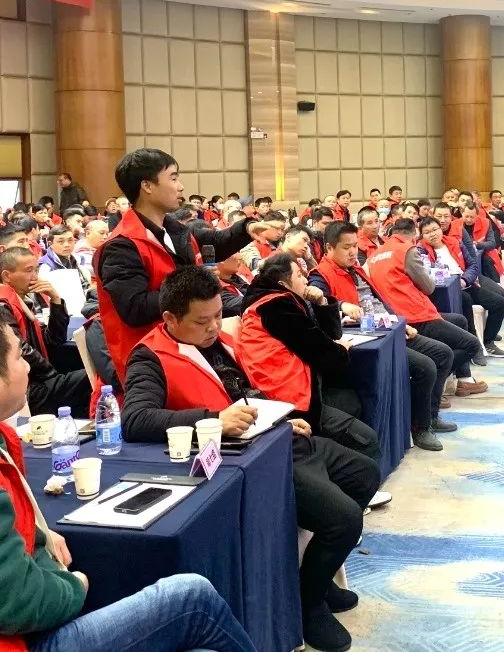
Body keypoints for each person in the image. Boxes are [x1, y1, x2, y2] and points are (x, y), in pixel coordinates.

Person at [122, 266, 379, 652]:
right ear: (170, 318)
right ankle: (308, 604)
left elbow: (248, 393)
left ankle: (316, 576)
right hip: (243, 459)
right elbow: (136, 419)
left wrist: (281, 416)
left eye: (217, 316)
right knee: (343, 519)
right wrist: (214, 420)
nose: (214, 327)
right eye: (202, 321)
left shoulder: (223, 341)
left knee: (365, 473)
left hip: (275, 438)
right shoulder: (150, 356)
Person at [0, 324, 257, 652]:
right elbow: (17, 599)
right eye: (19, 357)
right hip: (24, 640)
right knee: (193, 598)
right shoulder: (148, 355)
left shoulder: (5, 442)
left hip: (29, 619)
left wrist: (39, 535)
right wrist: (74, 587)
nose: (27, 366)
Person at [94, 148, 268, 385]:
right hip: (153, 363)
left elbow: (213, 243)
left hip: (191, 344)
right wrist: (190, 281)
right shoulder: (121, 246)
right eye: (173, 178)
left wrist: (247, 228)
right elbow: (135, 308)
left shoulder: (173, 229)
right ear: (147, 186)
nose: (181, 187)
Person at [310, 222, 455, 451]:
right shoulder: (320, 275)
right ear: (329, 248)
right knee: (425, 367)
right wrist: (341, 305)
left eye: (354, 246)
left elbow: (380, 301)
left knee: (443, 354)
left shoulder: (355, 269)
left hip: (387, 327)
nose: (352, 252)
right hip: (367, 339)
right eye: (346, 247)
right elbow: (316, 300)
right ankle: (420, 427)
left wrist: (399, 322)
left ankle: (430, 415)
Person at [237, 253, 381, 462]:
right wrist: (339, 350)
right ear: (282, 284)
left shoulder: (284, 301)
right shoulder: (275, 307)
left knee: (352, 400)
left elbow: (330, 336)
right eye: (299, 275)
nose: (306, 280)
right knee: (367, 439)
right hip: (289, 400)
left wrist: (322, 302)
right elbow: (325, 353)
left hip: (302, 385)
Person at [366, 219, 487, 396]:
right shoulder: (406, 250)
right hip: (415, 315)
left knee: (459, 320)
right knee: (472, 344)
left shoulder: (375, 255)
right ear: (414, 234)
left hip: (396, 314)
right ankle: (435, 387)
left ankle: (463, 380)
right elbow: (429, 287)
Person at [0, 247, 91, 417]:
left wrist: (55, 300)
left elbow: (54, 340)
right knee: (93, 377)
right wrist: (52, 375)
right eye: (29, 271)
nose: (35, 276)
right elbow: (21, 349)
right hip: (28, 388)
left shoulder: (22, 301)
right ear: (7, 276)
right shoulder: (2, 306)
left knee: (91, 372)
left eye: (36, 269)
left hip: (37, 378)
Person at [418, 216, 504, 358]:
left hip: (466, 284)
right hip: (445, 291)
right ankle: (475, 347)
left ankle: (488, 341)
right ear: (422, 235)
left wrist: (465, 280)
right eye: (427, 232)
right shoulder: (421, 250)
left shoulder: (455, 242)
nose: (433, 234)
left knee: (499, 303)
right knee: (465, 301)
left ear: (441, 229)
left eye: (435, 229)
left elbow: (472, 265)